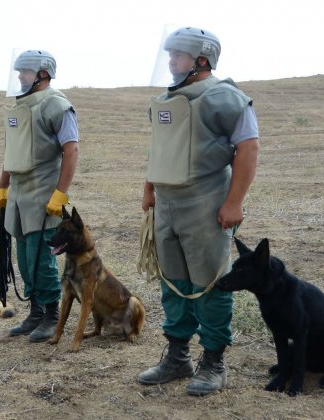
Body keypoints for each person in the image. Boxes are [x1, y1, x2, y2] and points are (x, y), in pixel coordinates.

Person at [137, 26, 260, 396]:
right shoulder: (166, 101)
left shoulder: (225, 98)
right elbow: (159, 147)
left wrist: (234, 202)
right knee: (173, 282)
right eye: (169, 54)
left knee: (209, 282)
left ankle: (213, 362)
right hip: (167, 205)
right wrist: (149, 188)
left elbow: (249, 148)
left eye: (178, 55)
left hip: (207, 203)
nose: (171, 61)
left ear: (201, 59)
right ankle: (177, 357)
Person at [0, 50, 79, 342]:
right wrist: (2, 186)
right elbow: (10, 153)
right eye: (19, 72)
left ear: (43, 74)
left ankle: (52, 315)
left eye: (26, 72)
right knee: (24, 257)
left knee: (41, 258)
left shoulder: (56, 105)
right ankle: (35, 312)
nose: (20, 77)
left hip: (43, 195)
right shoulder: (19, 107)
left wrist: (60, 194)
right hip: (19, 195)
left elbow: (71, 150)